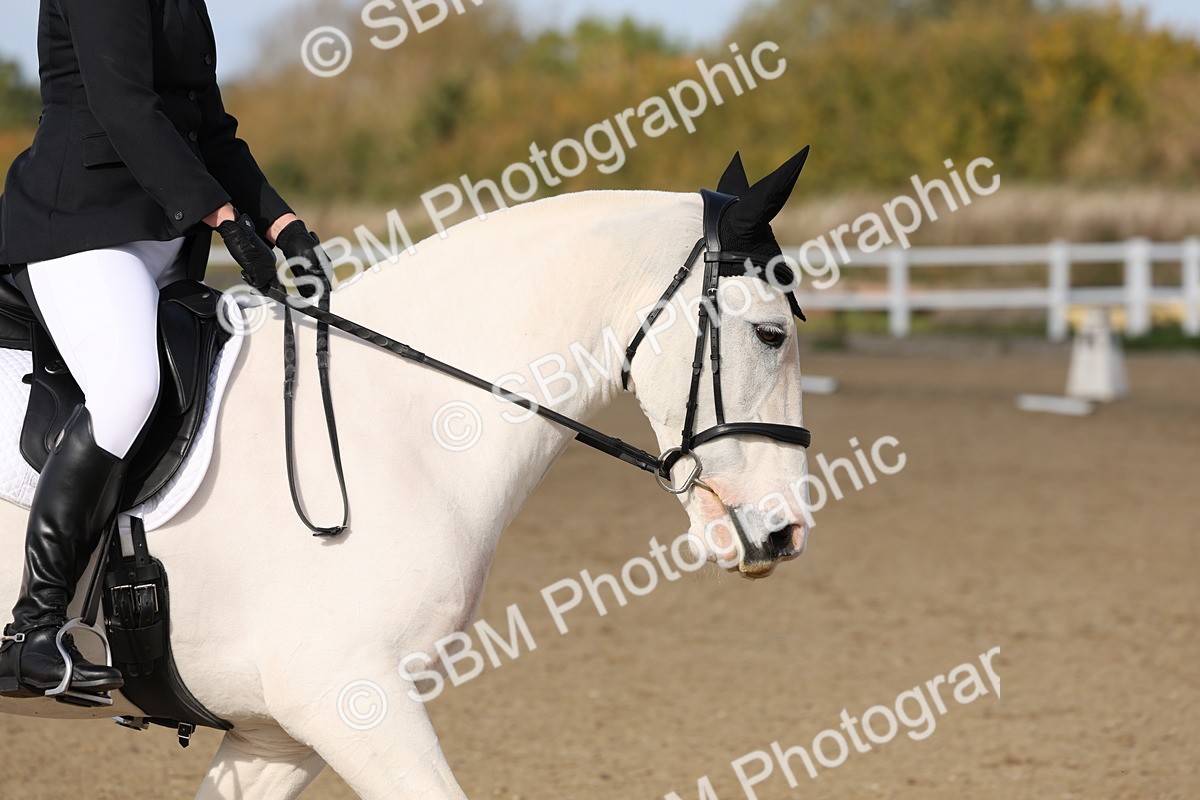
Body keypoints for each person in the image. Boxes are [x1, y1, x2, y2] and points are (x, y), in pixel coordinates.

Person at [0, 0, 324, 699]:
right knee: (129, 385)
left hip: (164, 240)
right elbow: (123, 105)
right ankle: (32, 632)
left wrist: (282, 224)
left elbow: (210, 130)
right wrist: (224, 216)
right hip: (82, 226)